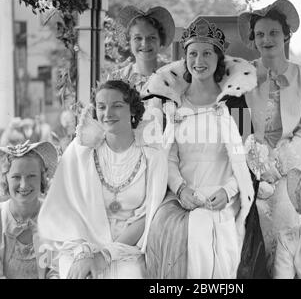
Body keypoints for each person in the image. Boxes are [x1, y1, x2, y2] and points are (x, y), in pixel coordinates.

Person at [141, 18, 258, 278]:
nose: (199, 60)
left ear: (218, 58)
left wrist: (228, 193)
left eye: (207, 53)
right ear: (185, 59)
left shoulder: (237, 103)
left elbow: (247, 156)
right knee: (169, 227)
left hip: (223, 195)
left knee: (206, 231)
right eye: (193, 53)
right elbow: (167, 158)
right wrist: (181, 189)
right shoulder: (171, 104)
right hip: (183, 196)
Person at [37, 80, 168, 279]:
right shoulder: (80, 151)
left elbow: (147, 216)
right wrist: (84, 253)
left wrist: (105, 255)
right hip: (82, 242)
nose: (108, 113)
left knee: (128, 275)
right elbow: (66, 208)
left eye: (117, 105)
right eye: (101, 107)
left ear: (132, 110)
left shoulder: (152, 155)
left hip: (128, 246)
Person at [237, 0, 301, 274]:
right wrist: (255, 158)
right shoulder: (243, 74)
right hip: (246, 161)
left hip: (290, 164)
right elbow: (238, 124)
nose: (266, 39)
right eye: (260, 34)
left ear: (286, 35)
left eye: (273, 32)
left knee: (285, 213)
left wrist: (281, 162)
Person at [109, 5, 176, 142]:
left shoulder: (174, 75)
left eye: (151, 38)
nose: (145, 43)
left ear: (160, 40)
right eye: (138, 38)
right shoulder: (117, 79)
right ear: (129, 40)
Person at [0, 140, 58, 279]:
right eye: (16, 177)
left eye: (31, 176)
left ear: (42, 178)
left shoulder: (54, 216)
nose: (24, 185)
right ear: (5, 179)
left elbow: (58, 269)